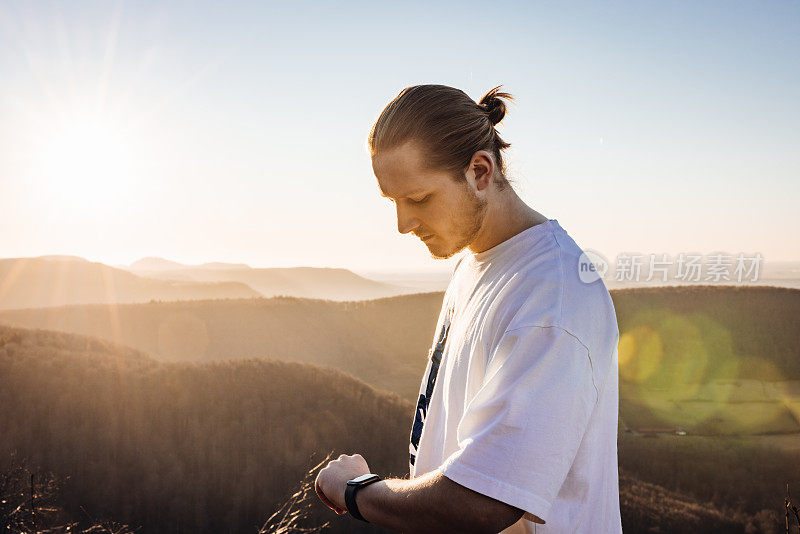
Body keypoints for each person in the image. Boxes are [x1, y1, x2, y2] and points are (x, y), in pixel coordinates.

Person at [315, 84, 622, 533]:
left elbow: (484, 501)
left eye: (418, 199)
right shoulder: (474, 263)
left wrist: (356, 490)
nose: (403, 224)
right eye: (393, 202)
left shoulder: (553, 297)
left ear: (481, 170)